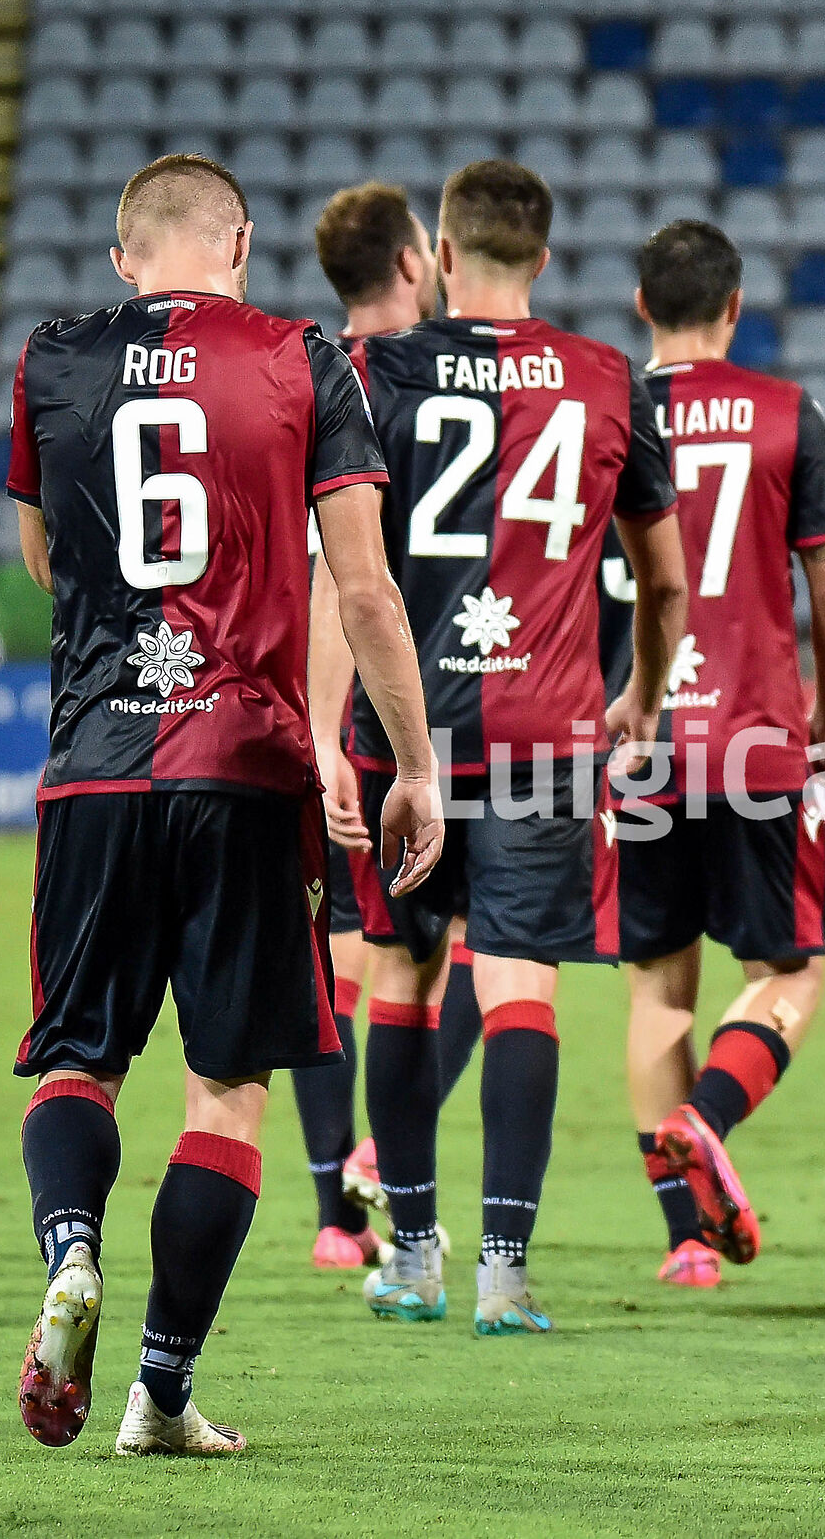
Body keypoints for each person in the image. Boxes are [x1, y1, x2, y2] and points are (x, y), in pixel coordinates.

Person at [7, 153, 443, 1455]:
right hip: (247, 764)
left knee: (80, 1052)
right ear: (242, 240)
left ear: (123, 258)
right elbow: (361, 588)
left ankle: (71, 1251)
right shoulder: (303, 354)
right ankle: (159, 1389)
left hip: (95, 761)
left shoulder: (53, 357)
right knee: (227, 1088)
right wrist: (410, 761)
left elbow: (46, 560)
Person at [312, 159, 688, 1337]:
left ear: (443, 250)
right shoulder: (607, 379)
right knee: (520, 985)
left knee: (404, 980)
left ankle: (409, 1254)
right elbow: (665, 578)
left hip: (405, 726)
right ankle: (503, 1273)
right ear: (546, 254)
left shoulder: (371, 367)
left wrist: (331, 732)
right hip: (547, 730)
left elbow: (340, 574)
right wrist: (642, 693)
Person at [616, 219, 825, 1290]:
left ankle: (684, 1237)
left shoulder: (602, 413)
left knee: (658, 988)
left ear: (641, 308)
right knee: (792, 972)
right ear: (733, 307)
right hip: (757, 737)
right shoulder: (784, 413)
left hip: (642, 741)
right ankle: (707, 1119)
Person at [291, 179, 446, 1272]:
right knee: (441, 961)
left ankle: (335, 1214)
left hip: (331, 713)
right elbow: (348, 582)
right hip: (411, 714)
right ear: (410, 261)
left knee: (337, 955)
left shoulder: (303, 375)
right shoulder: (423, 376)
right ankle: (377, 1176)